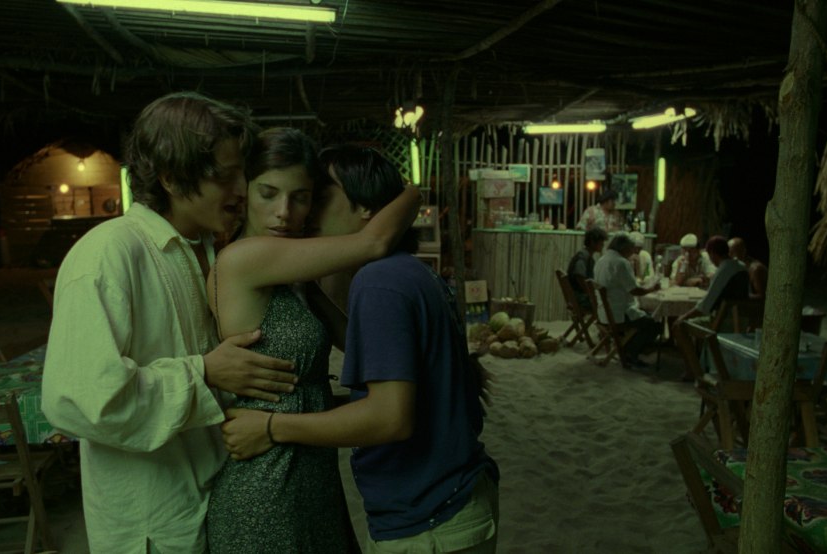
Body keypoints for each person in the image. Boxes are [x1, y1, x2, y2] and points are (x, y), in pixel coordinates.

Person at [41, 92, 302, 553]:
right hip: (153, 523)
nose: (240, 189)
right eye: (224, 176)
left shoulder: (209, 249)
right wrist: (203, 372)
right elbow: (82, 400)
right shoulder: (107, 254)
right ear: (171, 178)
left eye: (242, 173)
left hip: (216, 500)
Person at [219, 145, 500, 553]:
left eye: (318, 196)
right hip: (458, 497)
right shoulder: (410, 271)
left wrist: (270, 427)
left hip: (430, 520)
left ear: (367, 207)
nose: (306, 212)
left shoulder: (378, 283)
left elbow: (390, 417)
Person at [204, 128, 420, 553]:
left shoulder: (292, 275)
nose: (284, 212)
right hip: (266, 485)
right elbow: (374, 242)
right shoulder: (246, 257)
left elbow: (354, 345)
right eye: (268, 193)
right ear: (245, 190)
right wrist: (414, 192)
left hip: (307, 470)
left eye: (300, 198)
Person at [594, 232, 662, 369]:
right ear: (624, 248)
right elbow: (634, 290)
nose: (633, 252)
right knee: (654, 324)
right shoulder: (621, 262)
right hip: (618, 314)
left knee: (646, 316)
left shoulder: (601, 260)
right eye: (631, 249)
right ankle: (630, 353)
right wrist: (652, 289)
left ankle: (628, 348)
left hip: (603, 312)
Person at [674, 235, 749, 328]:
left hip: (725, 321)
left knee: (679, 325)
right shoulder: (741, 266)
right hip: (743, 320)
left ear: (713, 253)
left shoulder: (723, 269)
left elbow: (705, 305)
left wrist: (683, 317)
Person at [567, 227, 608, 310]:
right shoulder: (583, 256)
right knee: (609, 302)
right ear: (592, 242)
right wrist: (590, 294)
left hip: (577, 297)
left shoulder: (586, 256)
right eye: (601, 242)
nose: (603, 245)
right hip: (581, 299)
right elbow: (579, 276)